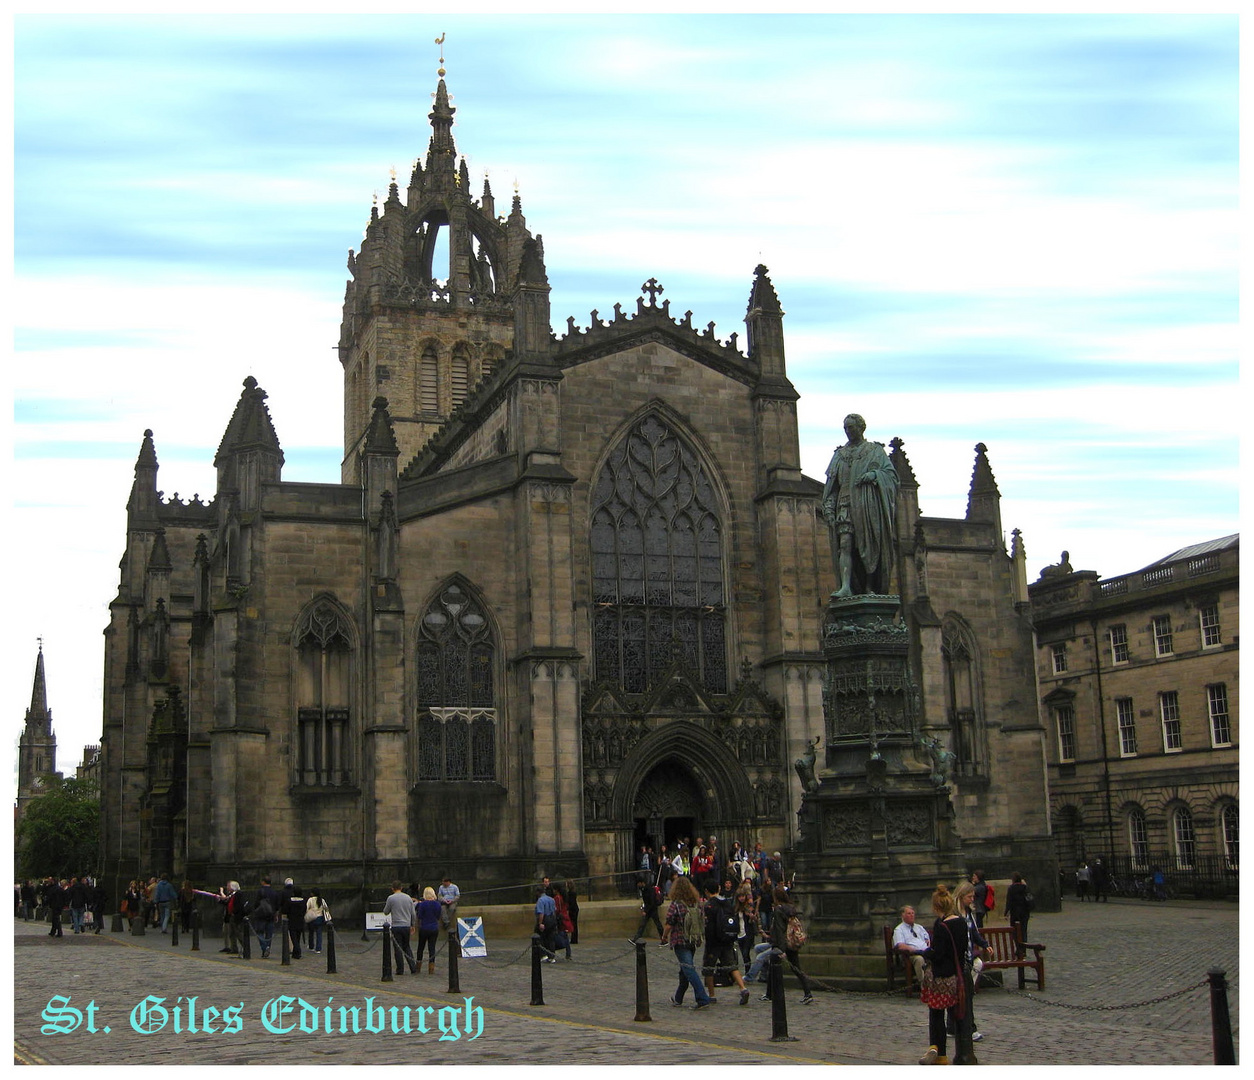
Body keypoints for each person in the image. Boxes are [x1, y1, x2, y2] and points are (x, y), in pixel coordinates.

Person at [821, 412, 899, 597]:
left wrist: (874, 476)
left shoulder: (875, 451)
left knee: (869, 547)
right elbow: (832, 486)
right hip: (845, 504)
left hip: (867, 506)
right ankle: (846, 586)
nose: (848, 431)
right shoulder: (839, 455)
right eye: (845, 428)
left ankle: (870, 587)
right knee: (846, 544)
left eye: (851, 427)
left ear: (861, 428)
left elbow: (892, 476)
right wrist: (829, 507)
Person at [919, 882, 969, 1065]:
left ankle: (938, 1052)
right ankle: (962, 1052)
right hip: (956, 976)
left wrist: (926, 953)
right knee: (956, 1013)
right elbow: (962, 948)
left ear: (935, 906)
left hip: (941, 976)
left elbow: (938, 953)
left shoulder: (941, 926)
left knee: (936, 1014)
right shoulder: (961, 922)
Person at [664, 874, 712, 1009]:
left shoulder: (676, 904)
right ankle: (678, 997)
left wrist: (663, 937)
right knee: (684, 969)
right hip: (693, 939)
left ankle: (702, 998)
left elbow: (669, 923)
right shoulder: (697, 903)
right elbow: (703, 920)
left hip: (680, 940)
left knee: (689, 969)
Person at [701, 880, 751, 1005]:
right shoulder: (727, 903)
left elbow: (708, 925)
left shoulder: (709, 905)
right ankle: (743, 988)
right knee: (731, 966)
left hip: (714, 942)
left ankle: (711, 995)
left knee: (709, 968)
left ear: (706, 891)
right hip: (727, 939)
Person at [769, 884, 814, 1005]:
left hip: (783, 943)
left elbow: (779, 929)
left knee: (774, 966)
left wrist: (781, 948)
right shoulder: (791, 908)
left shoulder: (778, 910)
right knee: (796, 968)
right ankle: (807, 992)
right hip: (792, 941)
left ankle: (771, 994)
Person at [954, 881, 987, 1044]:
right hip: (957, 960)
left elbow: (974, 932)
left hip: (967, 958)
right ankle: (968, 1028)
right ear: (961, 896)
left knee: (965, 994)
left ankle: (961, 1027)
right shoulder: (954, 913)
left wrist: (984, 944)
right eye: (969, 897)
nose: (972, 899)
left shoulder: (969, 913)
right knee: (962, 995)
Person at [383, 880, 418, 974]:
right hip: (406, 925)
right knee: (407, 946)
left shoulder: (391, 898)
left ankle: (400, 969)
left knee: (397, 948)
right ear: (401, 888)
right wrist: (412, 924)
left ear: (392, 889)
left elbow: (386, 911)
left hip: (396, 926)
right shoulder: (408, 898)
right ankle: (413, 967)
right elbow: (413, 913)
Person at [892, 904, 931, 985]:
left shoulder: (919, 927)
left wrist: (927, 945)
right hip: (910, 955)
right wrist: (915, 950)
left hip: (925, 952)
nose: (912, 915)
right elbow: (900, 945)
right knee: (919, 959)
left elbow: (927, 940)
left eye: (913, 913)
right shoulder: (899, 929)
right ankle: (924, 986)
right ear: (903, 915)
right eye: (909, 913)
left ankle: (935, 985)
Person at [249, 876, 280, 959]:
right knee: (269, 934)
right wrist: (276, 915)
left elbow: (256, 903)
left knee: (259, 932)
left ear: (263, 882)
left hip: (261, 915)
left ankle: (264, 947)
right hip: (271, 915)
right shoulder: (274, 892)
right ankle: (267, 948)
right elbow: (277, 906)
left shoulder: (260, 891)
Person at [1003, 872, 1033, 956]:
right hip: (1025, 912)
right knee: (1023, 931)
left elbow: (1009, 901)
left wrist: (1006, 913)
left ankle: (1018, 948)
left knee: (1015, 931)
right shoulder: (1025, 888)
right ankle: (1023, 949)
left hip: (1015, 912)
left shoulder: (1011, 888)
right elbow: (1029, 898)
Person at [634, 873, 665, 943]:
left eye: (638, 883)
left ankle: (664, 939)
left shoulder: (649, 889)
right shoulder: (644, 889)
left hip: (652, 909)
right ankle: (636, 938)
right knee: (643, 924)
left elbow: (651, 902)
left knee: (657, 924)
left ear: (642, 883)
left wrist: (646, 910)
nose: (637, 885)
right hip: (649, 909)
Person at [415, 887, 441, 973]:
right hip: (434, 928)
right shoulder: (437, 904)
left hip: (424, 928)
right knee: (432, 948)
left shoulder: (422, 904)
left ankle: (418, 966)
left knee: (420, 947)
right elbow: (438, 916)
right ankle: (431, 968)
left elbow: (420, 916)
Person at [280, 877, 305, 959]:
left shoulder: (290, 901)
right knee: (297, 937)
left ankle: (297, 949)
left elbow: (285, 910)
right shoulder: (303, 901)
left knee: (293, 937)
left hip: (292, 921)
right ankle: (295, 953)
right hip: (300, 921)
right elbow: (305, 910)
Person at [534, 884, 559, 963]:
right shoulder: (551, 899)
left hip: (545, 920)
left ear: (538, 892)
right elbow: (554, 911)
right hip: (552, 919)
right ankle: (552, 956)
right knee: (551, 939)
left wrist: (540, 923)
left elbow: (541, 913)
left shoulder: (540, 900)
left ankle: (543, 955)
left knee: (541, 937)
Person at [305, 888, 330, 954]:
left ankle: (311, 946)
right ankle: (318, 948)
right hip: (320, 918)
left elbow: (306, 908)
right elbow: (326, 908)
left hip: (312, 918)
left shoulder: (310, 900)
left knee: (311, 932)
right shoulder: (321, 900)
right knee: (319, 933)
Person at [564, 879, 581, 944]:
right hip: (574, 909)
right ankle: (574, 939)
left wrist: (568, 909)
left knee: (574, 924)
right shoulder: (573, 892)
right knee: (574, 924)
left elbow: (571, 902)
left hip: (573, 910)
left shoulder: (571, 893)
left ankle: (574, 939)